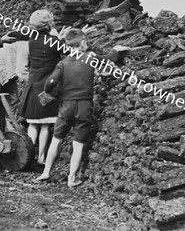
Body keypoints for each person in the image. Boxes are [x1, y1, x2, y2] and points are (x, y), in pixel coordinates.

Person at [36, 29, 129, 187]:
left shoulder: (62, 63)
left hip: (66, 106)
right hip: (84, 106)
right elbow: (108, 58)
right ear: (83, 43)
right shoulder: (90, 57)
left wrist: (50, 95)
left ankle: (46, 172)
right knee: (78, 143)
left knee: (56, 139)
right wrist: (117, 50)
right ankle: (72, 179)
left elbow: (49, 83)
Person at [18, 9, 68, 164]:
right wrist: (61, 38)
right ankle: (41, 157)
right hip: (47, 89)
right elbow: (65, 51)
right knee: (45, 125)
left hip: (33, 87)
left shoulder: (31, 41)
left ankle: (28, 157)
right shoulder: (54, 41)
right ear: (49, 24)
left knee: (33, 123)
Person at [0, 31, 29, 120]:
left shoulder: (26, 41)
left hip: (2, 59)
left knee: (10, 96)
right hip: (0, 60)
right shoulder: (27, 43)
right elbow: (22, 71)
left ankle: (7, 123)